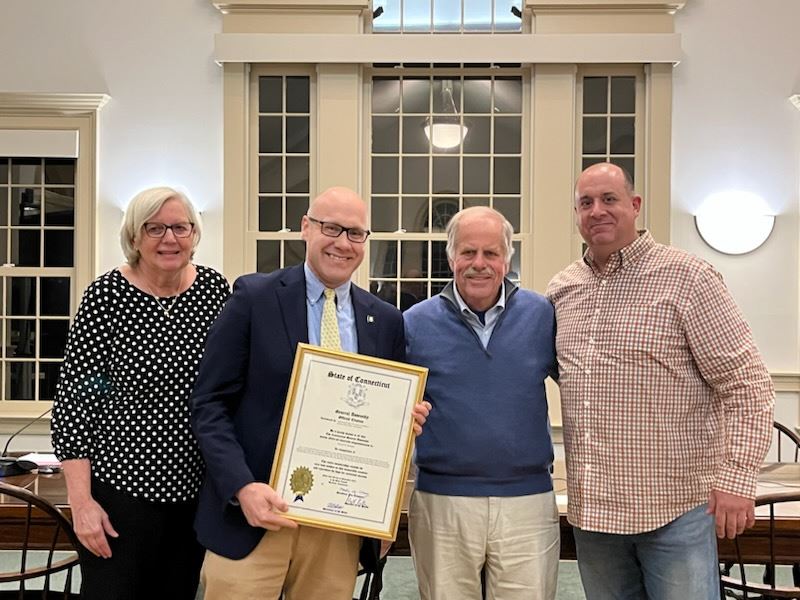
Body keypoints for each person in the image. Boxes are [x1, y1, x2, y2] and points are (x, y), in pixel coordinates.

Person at [546, 162, 775, 600]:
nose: (597, 211)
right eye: (586, 203)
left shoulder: (689, 278)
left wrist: (737, 477)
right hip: (594, 515)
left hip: (674, 510)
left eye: (609, 199)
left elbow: (747, 384)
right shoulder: (562, 289)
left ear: (634, 206)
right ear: (576, 214)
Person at [189, 186, 430, 600]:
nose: (342, 243)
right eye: (330, 228)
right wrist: (242, 487)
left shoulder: (385, 320)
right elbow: (209, 405)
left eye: (355, 233)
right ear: (305, 228)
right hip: (253, 517)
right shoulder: (254, 298)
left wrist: (404, 421)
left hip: (338, 528)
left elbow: (385, 426)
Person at [51, 186, 230, 600]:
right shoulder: (107, 296)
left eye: (180, 227)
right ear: (134, 237)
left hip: (196, 496)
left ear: (195, 234)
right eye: (154, 228)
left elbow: (234, 386)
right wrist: (82, 504)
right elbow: (77, 402)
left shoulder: (215, 292)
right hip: (120, 498)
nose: (169, 239)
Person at [404, 206, 560, 600]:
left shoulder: (543, 316)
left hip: (528, 502)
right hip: (442, 502)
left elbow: (589, 388)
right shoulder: (414, 324)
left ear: (506, 259)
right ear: (451, 258)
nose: (479, 264)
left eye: (490, 254)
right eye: (468, 252)